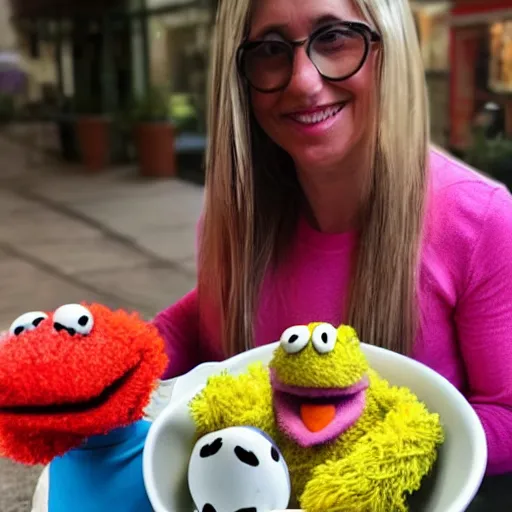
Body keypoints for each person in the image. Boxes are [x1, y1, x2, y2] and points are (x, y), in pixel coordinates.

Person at [153, 0, 512, 491]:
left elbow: (507, 415)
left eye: (336, 38)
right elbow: (206, 317)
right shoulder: (237, 215)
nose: (302, 81)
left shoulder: (482, 221)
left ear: (391, 46)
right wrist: (124, 359)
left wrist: (364, 452)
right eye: (271, 49)